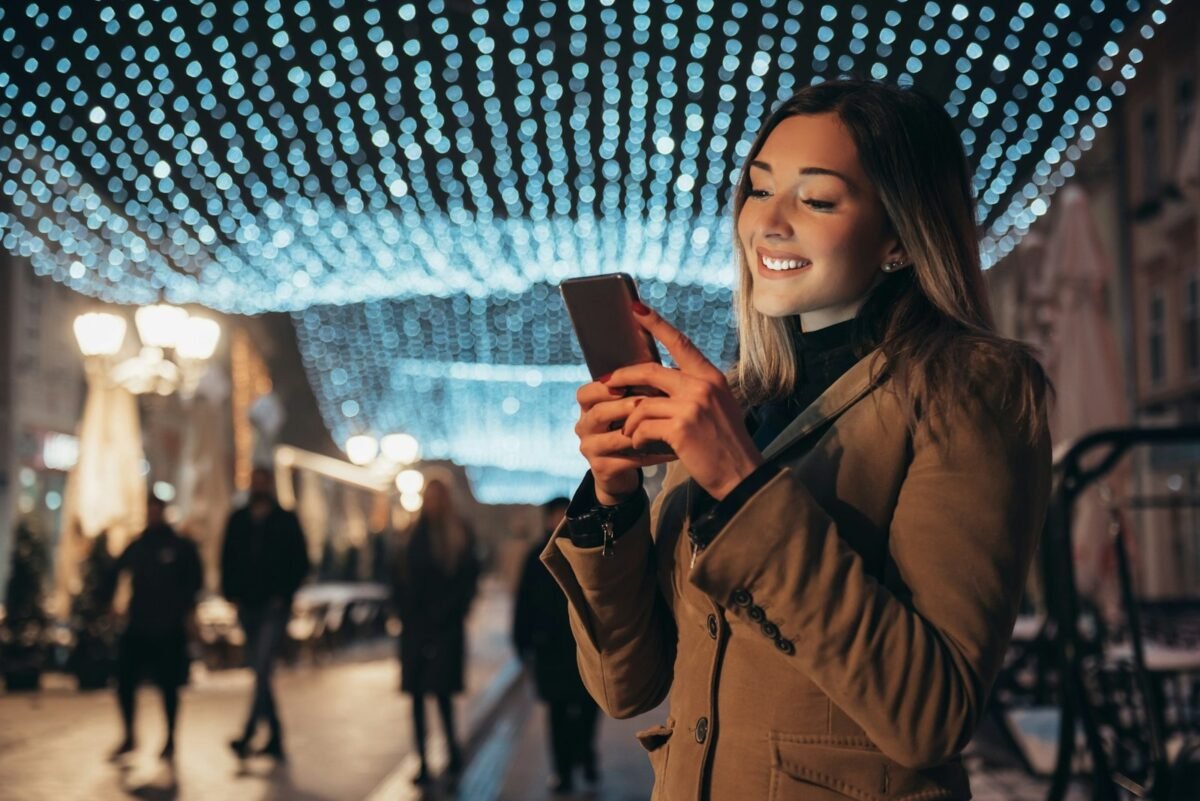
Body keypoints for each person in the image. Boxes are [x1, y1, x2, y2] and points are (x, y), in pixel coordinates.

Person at [543, 78, 1055, 800]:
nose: (768, 224)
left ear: (901, 240)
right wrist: (614, 492)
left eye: (815, 199)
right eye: (757, 190)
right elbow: (625, 684)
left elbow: (932, 715)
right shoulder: (741, 401)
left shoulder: (971, 387)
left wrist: (744, 486)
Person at [391, 476, 480, 785]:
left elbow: (468, 579)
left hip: (445, 626)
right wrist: (405, 612)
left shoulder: (458, 535)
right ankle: (423, 761)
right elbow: (399, 577)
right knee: (417, 697)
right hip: (415, 627)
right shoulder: (412, 534)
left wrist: (450, 612)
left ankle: (452, 751)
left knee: (442, 695)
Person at [221, 466, 310, 761]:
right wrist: (232, 593)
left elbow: (300, 561)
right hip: (248, 605)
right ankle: (275, 737)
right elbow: (227, 558)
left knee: (261, 666)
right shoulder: (239, 519)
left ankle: (248, 733)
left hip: (274, 606)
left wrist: (283, 595)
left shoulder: (284, 520)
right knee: (262, 671)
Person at [513, 497, 600, 795]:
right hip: (550, 645)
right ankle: (562, 770)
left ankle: (585, 754)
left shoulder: (587, 549)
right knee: (557, 712)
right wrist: (522, 640)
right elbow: (523, 601)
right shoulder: (535, 556)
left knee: (589, 706)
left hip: (585, 644)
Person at [108, 495, 203, 761]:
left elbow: (195, 579)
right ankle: (129, 735)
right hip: (139, 624)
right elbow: (116, 570)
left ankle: (170, 738)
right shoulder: (139, 544)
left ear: (162, 512)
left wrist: (183, 608)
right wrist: (109, 601)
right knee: (125, 681)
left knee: (169, 686)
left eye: (155, 510)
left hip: (169, 627)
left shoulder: (179, 545)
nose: (151, 515)